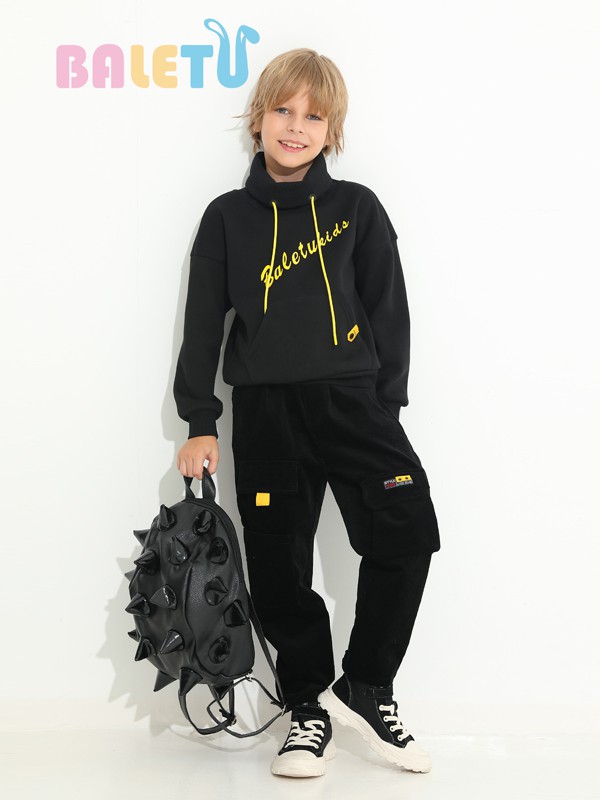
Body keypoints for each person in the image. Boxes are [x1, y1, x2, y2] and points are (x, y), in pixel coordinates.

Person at [174, 48, 440, 779]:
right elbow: (203, 325)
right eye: (283, 110)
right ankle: (306, 706)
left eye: (313, 116)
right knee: (278, 564)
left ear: (332, 130)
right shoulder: (227, 218)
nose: (296, 127)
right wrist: (200, 421)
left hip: (355, 405)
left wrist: (385, 407)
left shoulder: (357, 208)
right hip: (266, 412)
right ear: (258, 118)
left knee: (407, 532)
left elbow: (390, 312)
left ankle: (367, 685)